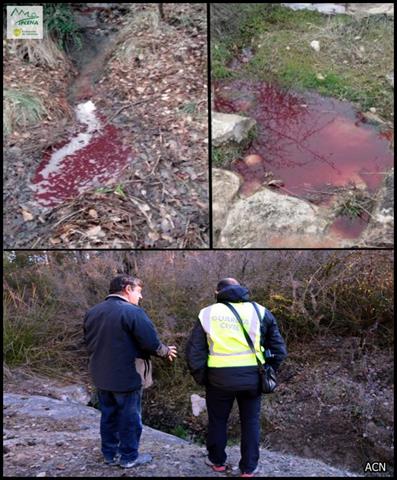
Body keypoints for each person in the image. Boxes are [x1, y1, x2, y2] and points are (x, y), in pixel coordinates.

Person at [186, 277, 287, 477]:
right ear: (240, 288)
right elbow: (279, 350)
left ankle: (217, 462)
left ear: (217, 293)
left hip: (218, 379)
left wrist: (203, 377)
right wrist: (268, 370)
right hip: (252, 378)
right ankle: (248, 468)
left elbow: (194, 353)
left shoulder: (207, 313)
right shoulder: (260, 311)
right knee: (250, 422)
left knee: (218, 421)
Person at [83, 274, 177, 468]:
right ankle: (129, 457)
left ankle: (110, 455)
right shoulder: (132, 312)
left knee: (108, 416)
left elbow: (89, 342)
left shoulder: (92, 312)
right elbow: (151, 343)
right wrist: (166, 350)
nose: (140, 297)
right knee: (130, 418)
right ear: (127, 289)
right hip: (128, 376)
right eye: (138, 292)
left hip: (101, 375)